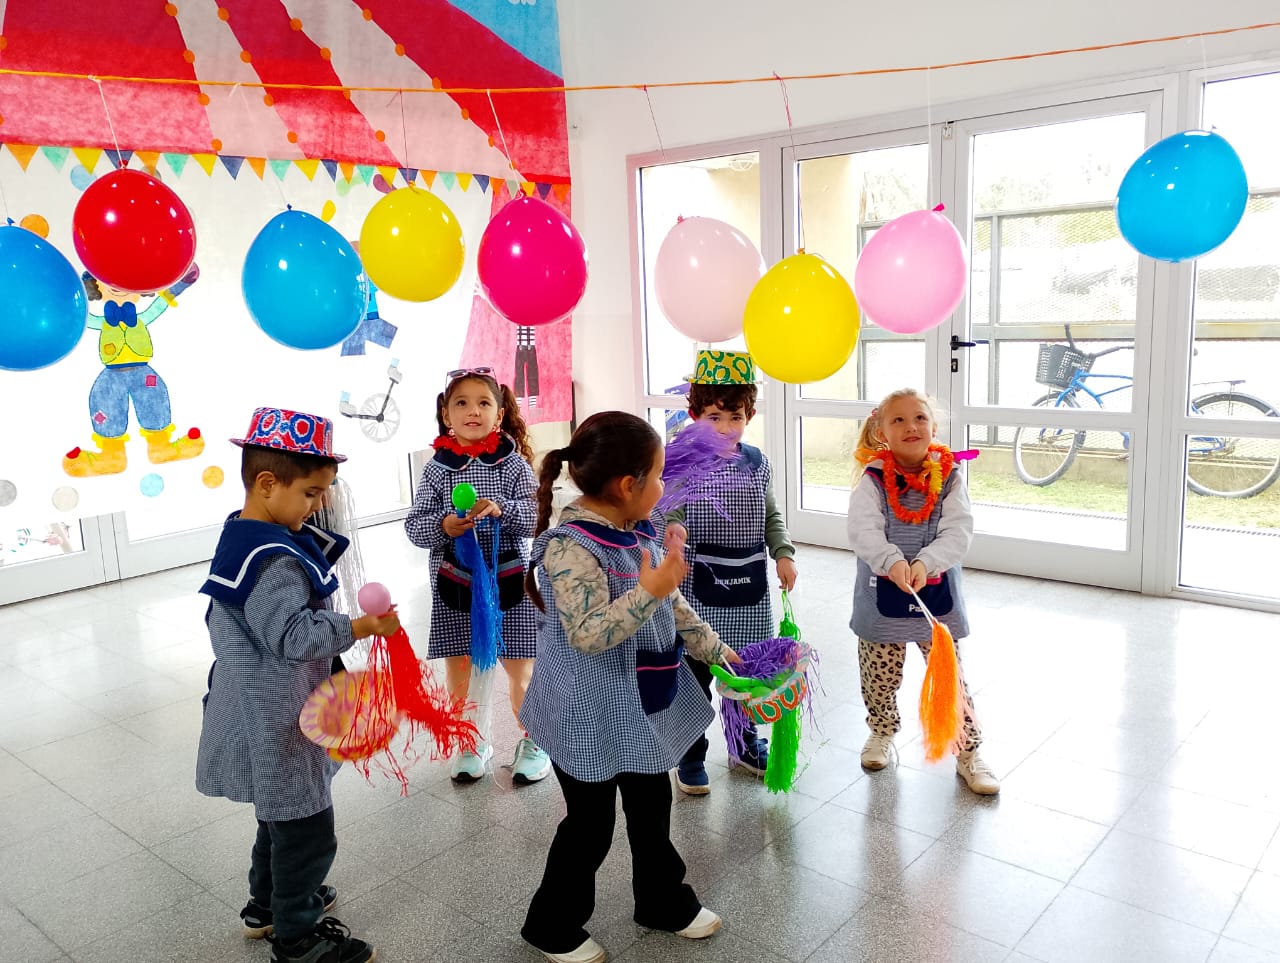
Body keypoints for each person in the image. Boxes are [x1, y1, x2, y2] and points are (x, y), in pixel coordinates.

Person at [518, 411, 742, 963]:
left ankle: (661, 900)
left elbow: (675, 607)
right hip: (585, 712)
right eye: (658, 476)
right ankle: (551, 924)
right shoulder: (570, 547)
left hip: (637, 706)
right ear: (627, 485)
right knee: (590, 825)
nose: (663, 487)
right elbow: (589, 634)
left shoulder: (637, 530)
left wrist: (722, 653)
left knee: (652, 804)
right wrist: (649, 590)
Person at [196, 407, 399, 963]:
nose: (317, 506)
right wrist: (360, 627)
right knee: (306, 828)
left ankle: (266, 905)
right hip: (280, 714)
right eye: (311, 494)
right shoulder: (274, 562)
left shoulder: (244, 534)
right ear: (267, 484)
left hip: (256, 702)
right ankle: (297, 935)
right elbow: (292, 635)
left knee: (277, 814)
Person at [846, 388, 999, 795]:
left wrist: (926, 562)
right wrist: (892, 561)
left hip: (936, 594)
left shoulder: (950, 477)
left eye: (919, 418)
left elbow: (958, 530)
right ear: (882, 431)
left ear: (933, 426)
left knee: (950, 678)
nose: (910, 426)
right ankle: (881, 730)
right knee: (878, 675)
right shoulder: (872, 480)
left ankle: (968, 751)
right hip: (882, 593)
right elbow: (863, 530)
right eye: (898, 420)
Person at [404, 366, 550, 783]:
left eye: (484, 403)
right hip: (457, 587)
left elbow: (537, 518)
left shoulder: (513, 464)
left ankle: (536, 741)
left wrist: (502, 509)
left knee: (522, 670)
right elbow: (414, 527)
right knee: (460, 673)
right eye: (462, 403)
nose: (473, 411)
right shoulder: (436, 468)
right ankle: (470, 743)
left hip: (510, 586)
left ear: (499, 414)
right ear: (446, 414)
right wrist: (443, 526)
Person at [663, 349, 798, 796]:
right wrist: (674, 531)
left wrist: (783, 553)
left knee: (745, 673)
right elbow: (670, 510)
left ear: (750, 415)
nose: (724, 428)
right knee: (696, 674)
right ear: (694, 415)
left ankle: (743, 743)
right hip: (699, 586)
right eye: (714, 417)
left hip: (750, 588)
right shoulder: (682, 464)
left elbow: (771, 515)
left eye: (734, 417)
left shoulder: (758, 463)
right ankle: (690, 752)